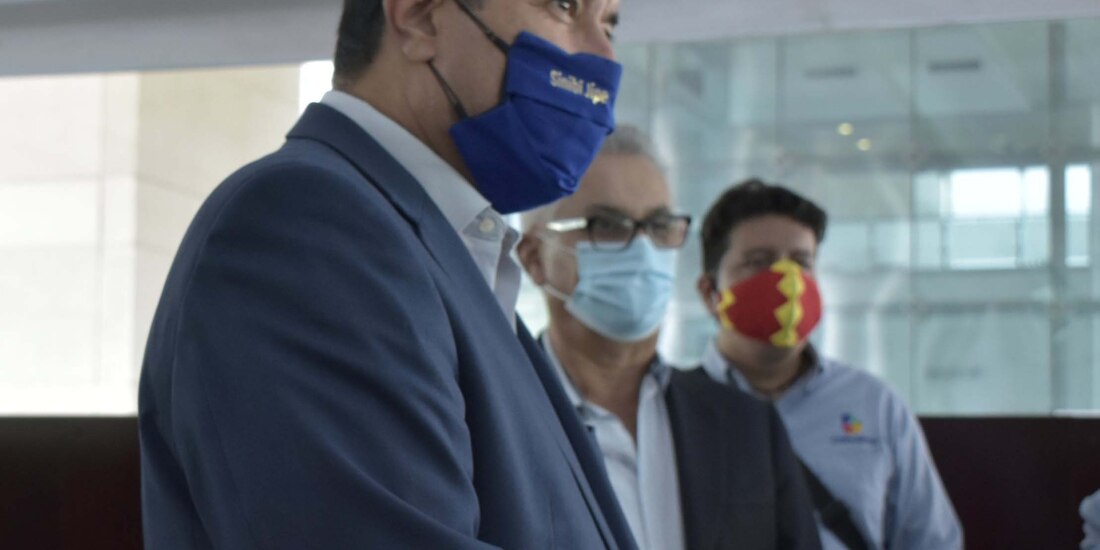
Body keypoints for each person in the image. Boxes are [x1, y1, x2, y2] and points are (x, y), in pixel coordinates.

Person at [138, 0, 637, 547]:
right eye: (566, 6)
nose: (604, 54)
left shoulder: (444, 255)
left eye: (609, 22)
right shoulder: (308, 224)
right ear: (420, 16)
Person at [517, 127, 821, 550]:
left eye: (659, 226)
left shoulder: (748, 428)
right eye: (607, 225)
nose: (642, 249)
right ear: (534, 258)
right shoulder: (490, 420)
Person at [694, 180, 963, 550]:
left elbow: (931, 541)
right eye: (759, 262)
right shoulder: (675, 406)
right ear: (710, 293)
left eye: (801, 263)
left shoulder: (874, 405)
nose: (787, 282)